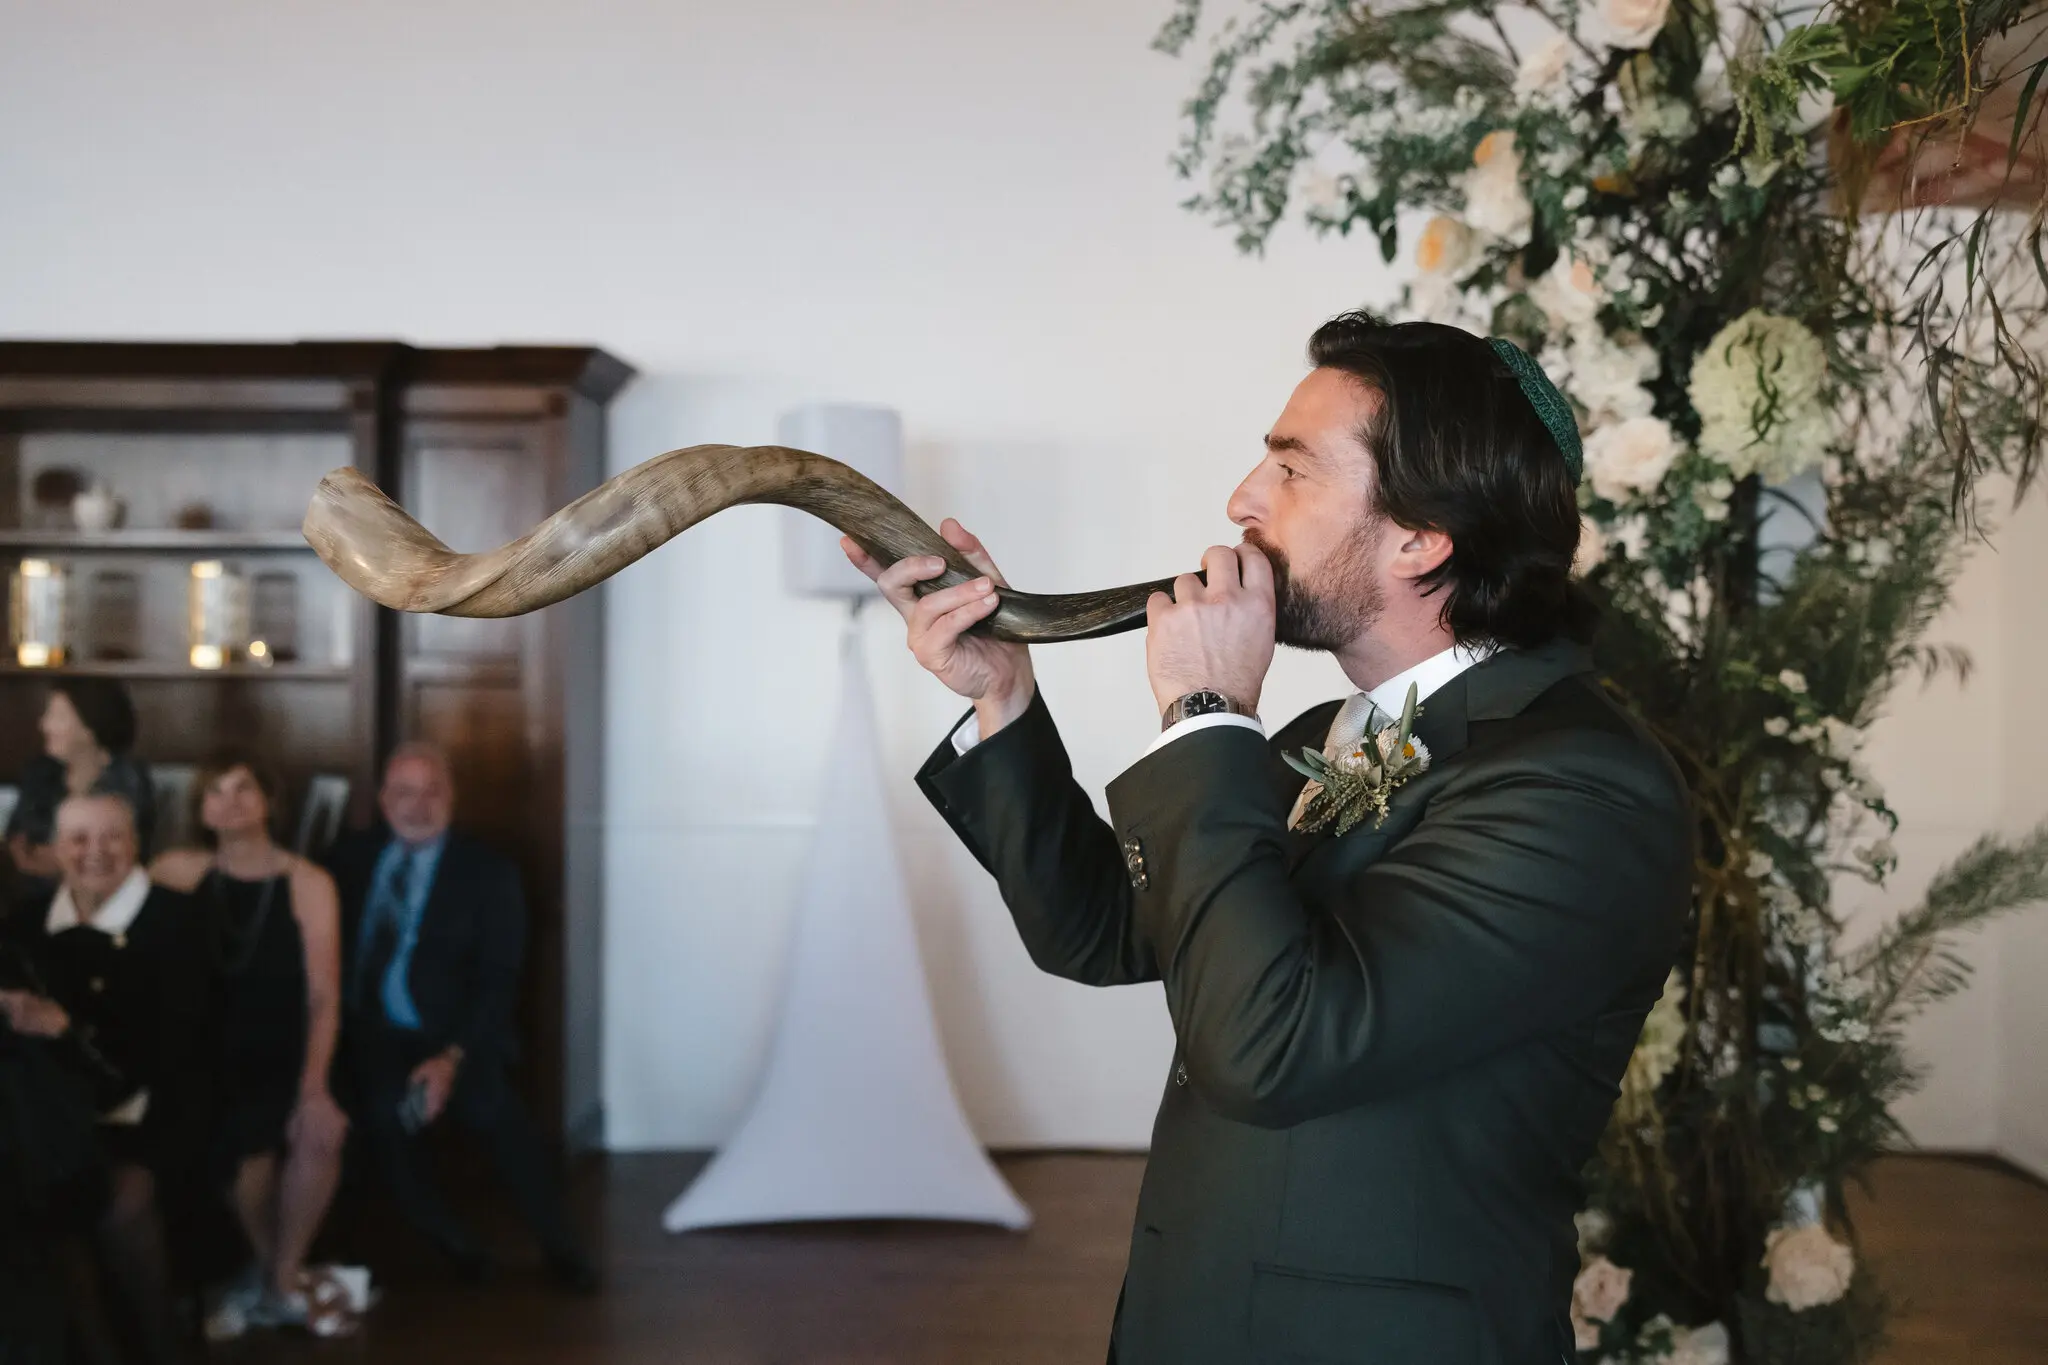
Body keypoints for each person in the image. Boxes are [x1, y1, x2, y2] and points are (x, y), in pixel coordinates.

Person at [847, 313, 1693, 1365]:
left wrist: (1204, 709)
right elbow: (1103, 931)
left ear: (1420, 536)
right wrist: (1003, 695)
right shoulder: (1320, 737)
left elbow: (1269, 1047)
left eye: (1290, 470)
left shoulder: (1577, 787)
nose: (1242, 501)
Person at [327, 743, 596, 1291]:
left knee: (494, 1110)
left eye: (432, 792)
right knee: (384, 1114)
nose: (417, 806)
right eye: (403, 792)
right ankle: (454, 1243)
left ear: (452, 798)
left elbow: (500, 982)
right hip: (369, 1033)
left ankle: (561, 1246)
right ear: (382, 800)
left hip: (457, 1032)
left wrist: (450, 1058)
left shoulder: (488, 872)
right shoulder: (349, 859)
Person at [0, 792, 207, 1365]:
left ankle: (164, 1344)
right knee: (38, 1195)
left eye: (111, 836)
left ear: (136, 843)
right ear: (52, 851)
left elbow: (179, 1051)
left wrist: (66, 1030)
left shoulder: (179, 919)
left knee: (120, 1197)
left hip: (160, 1108)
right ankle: (99, 1349)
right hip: (59, 1115)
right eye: (78, 839)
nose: (95, 852)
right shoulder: (25, 926)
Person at [151, 753, 348, 1336]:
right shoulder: (175, 871)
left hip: (280, 1050)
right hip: (201, 1053)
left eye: (244, 787)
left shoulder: (309, 883)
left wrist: (313, 1086)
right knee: (240, 1153)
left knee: (316, 1130)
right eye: (216, 791)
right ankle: (278, 1277)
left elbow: (325, 998)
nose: (230, 801)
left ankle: (281, 1279)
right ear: (201, 809)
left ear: (269, 801)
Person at [7, 680, 157, 897]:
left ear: (89, 727)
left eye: (57, 717)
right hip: (34, 896)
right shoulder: (40, 772)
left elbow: (124, 857)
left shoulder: (129, 778)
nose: (44, 725)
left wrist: (57, 861)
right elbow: (19, 845)